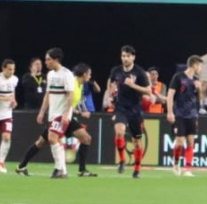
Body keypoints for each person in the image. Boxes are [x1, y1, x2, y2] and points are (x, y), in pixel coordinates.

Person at [16, 62, 98, 178]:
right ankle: (57, 170)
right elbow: (62, 101)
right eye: (89, 74)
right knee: (43, 142)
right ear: (84, 74)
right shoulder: (72, 83)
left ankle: (81, 170)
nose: (90, 76)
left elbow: (70, 104)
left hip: (67, 117)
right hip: (60, 117)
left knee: (86, 138)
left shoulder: (80, 85)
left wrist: (75, 112)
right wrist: (78, 113)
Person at [106, 45, 152, 177]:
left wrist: (133, 85)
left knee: (137, 140)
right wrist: (110, 94)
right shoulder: (116, 70)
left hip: (135, 110)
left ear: (133, 57)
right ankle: (122, 160)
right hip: (121, 108)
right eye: (123, 56)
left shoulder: (140, 72)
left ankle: (137, 169)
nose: (125, 58)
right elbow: (111, 81)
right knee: (119, 132)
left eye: (128, 56)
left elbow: (148, 91)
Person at [35, 48, 76, 178]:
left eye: (48, 59)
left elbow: (71, 95)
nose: (46, 62)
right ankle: (63, 171)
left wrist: (65, 114)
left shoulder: (67, 74)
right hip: (52, 113)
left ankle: (58, 169)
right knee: (55, 139)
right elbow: (47, 95)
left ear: (56, 59)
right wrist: (42, 112)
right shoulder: (50, 75)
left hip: (62, 113)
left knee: (52, 138)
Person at [167, 55, 204, 177]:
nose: (201, 68)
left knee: (191, 141)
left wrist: (199, 89)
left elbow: (200, 99)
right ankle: (176, 163)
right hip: (180, 114)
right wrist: (170, 111)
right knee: (180, 141)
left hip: (192, 114)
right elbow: (171, 95)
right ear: (194, 65)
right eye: (200, 65)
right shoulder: (178, 77)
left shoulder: (196, 79)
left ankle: (187, 168)